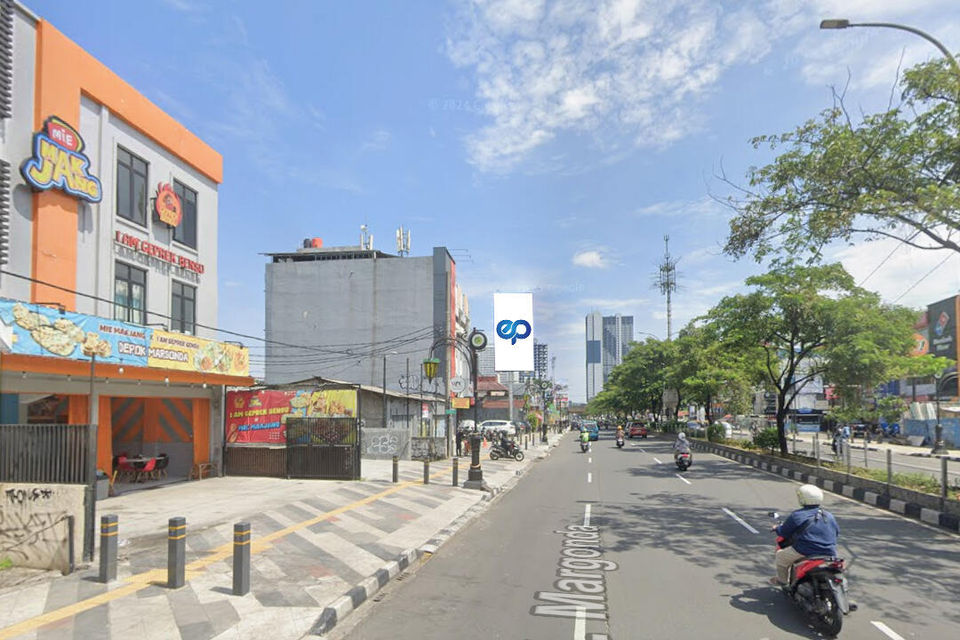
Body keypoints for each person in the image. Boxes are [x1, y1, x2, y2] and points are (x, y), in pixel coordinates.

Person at [770, 484, 839, 585]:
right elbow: (836, 532)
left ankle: (782, 581)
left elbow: (784, 532)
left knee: (780, 557)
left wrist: (776, 528)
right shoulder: (829, 515)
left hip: (805, 550)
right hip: (829, 552)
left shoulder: (797, 515)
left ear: (802, 499)